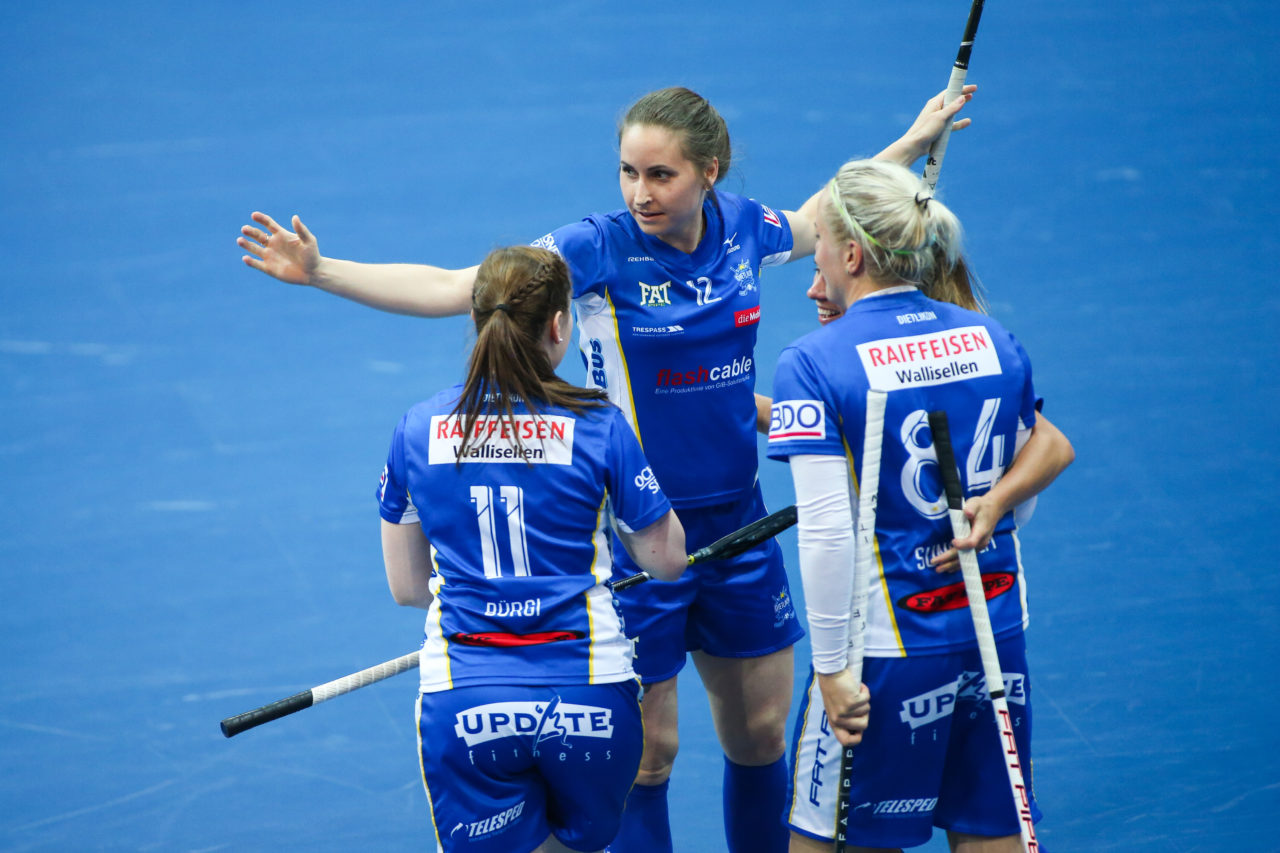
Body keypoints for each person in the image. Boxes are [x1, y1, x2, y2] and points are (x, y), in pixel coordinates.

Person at [239, 85, 975, 853]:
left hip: (739, 524)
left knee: (759, 735)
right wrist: (323, 271)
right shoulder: (596, 246)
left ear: (710, 173)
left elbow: (826, 211)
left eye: (661, 175)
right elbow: (461, 287)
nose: (640, 192)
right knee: (649, 752)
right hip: (638, 532)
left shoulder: (744, 231)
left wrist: (913, 138)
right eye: (628, 172)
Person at [766, 158, 1074, 852]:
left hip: (882, 646)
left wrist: (832, 669)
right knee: (992, 830)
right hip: (994, 628)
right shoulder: (993, 339)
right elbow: (1028, 477)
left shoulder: (813, 360)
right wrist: (992, 504)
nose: (813, 254)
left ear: (850, 252)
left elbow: (824, 534)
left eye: (820, 241)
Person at [377, 245, 687, 853]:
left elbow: (408, 587)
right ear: (559, 324)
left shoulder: (417, 428)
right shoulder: (599, 425)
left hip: (466, 698)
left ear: (476, 321)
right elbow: (667, 561)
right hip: (591, 691)